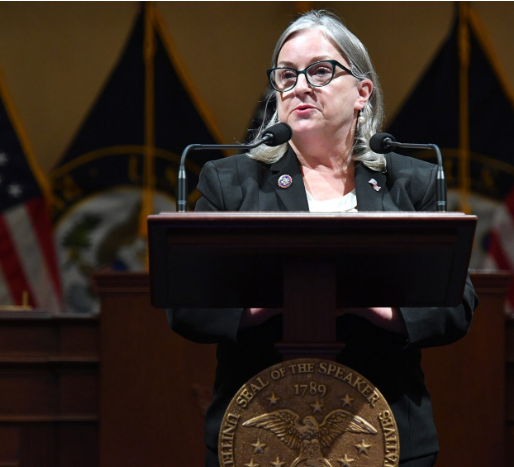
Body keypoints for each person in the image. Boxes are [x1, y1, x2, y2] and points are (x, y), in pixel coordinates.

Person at [167, 10, 478, 467]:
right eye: (287, 75)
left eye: (319, 70)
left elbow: (456, 306)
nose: (300, 85)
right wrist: (284, 295)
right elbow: (187, 306)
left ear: (362, 92)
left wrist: (370, 302)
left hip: (386, 428)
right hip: (260, 434)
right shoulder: (231, 182)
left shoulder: (412, 181)